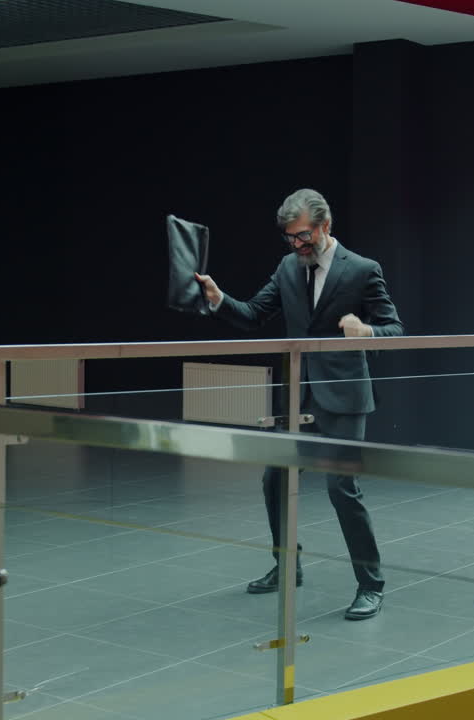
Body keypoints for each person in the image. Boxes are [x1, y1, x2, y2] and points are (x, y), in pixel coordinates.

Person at [194, 188, 404, 620]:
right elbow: (254, 314)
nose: (297, 244)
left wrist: (366, 332)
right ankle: (287, 566)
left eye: (303, 235)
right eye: (290, 237)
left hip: (344, 398)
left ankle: (371, 584)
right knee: (275, 480)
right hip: (298, 397)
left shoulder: (363, 270)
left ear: (326, 225)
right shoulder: (289, 267)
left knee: (341, 489)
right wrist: (217, 298)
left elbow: (395, 329)